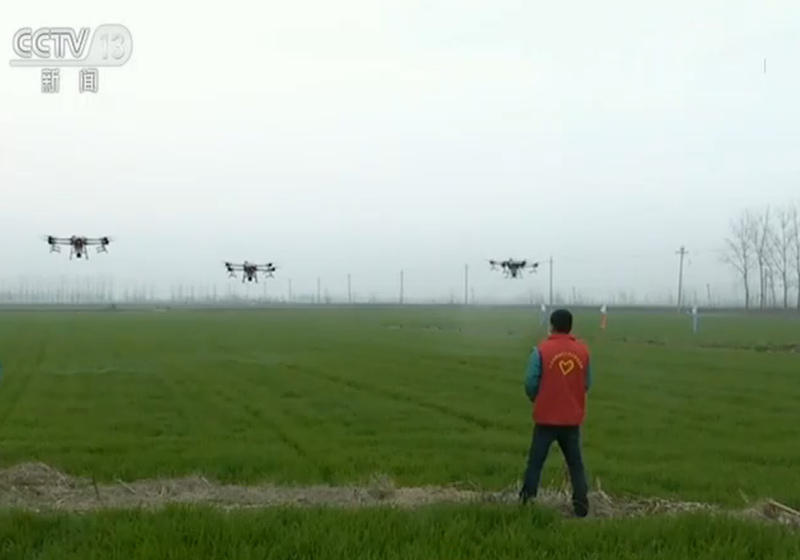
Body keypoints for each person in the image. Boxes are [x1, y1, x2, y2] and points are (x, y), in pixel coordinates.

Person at [519, 308, 592, 517]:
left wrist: (538, 398)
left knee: (535, 462)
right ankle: (581, 506)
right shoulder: (583, 352)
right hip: (572, 419)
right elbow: (587, 382)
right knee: (575, 464)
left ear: (551, 326)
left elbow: (530, 382)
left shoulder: (540, 351)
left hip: (546, 418)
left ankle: (526, 501)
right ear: (570, 327)